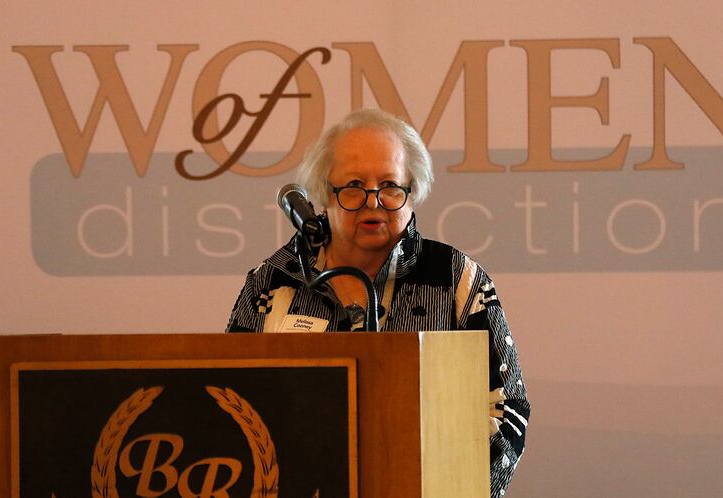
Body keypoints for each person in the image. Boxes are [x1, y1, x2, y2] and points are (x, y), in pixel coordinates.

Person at [227, 108, 530, 497]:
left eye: (389, 184)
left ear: (412, 189)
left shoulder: (455, 278)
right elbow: (233, 400)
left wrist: (451, 489)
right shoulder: (274, 280)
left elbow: (507, 410)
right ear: (324, 193)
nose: (373, 202)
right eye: (354, 185)